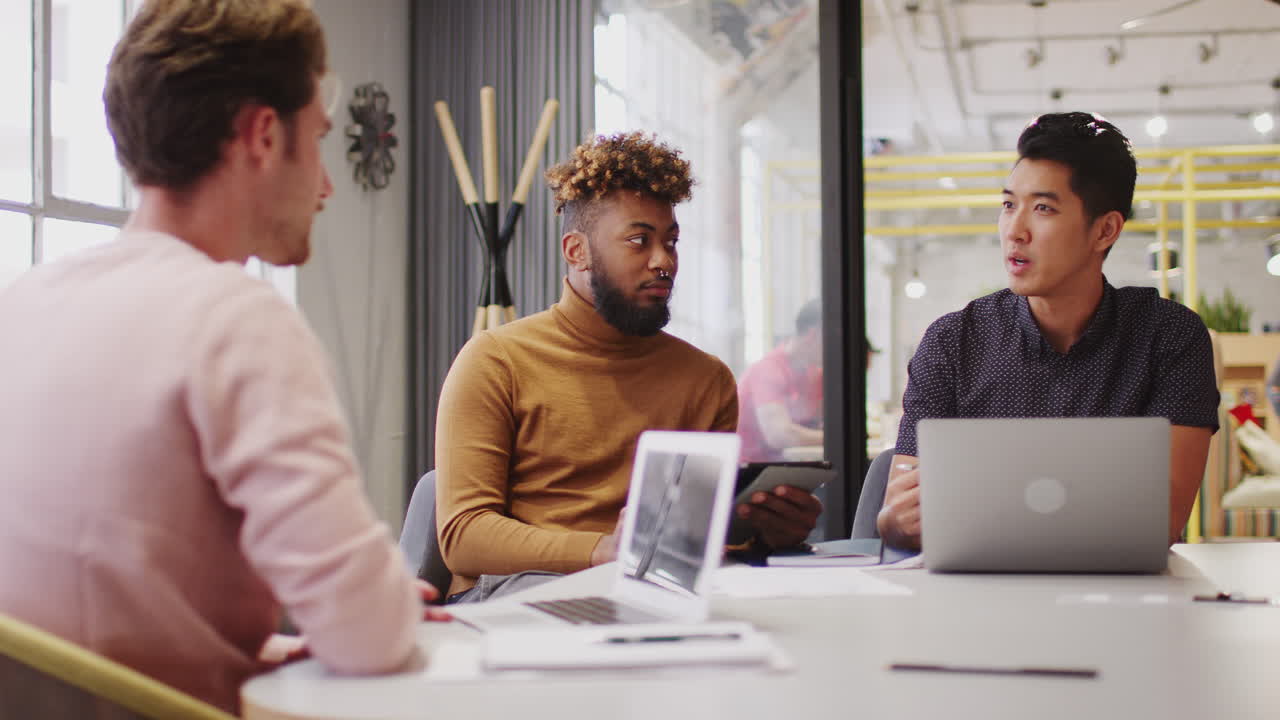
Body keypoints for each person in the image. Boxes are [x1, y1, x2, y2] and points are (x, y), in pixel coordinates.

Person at [0, 1, 444, 713]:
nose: (327, 186)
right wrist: (378, 605)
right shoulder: (237, 320)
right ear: (264, 135)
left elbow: (85, 612)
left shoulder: (23, 302)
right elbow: (370, 636)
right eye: (319, 140)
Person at [435, 132, 822, 602]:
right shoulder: (495, 360)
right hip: (518, 591)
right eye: (639, 241)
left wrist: (768, 533)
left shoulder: (705, 379)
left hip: (657, 591)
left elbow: (694, 535)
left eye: (671, 242)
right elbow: (463, 537)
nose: (664, 262)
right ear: (576, 251)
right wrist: (603, 551)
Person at [879, 112, 1219, 551]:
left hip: (1118, 600)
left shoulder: (1168, 338)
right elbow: (896, 510)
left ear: (1105, 229)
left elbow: (1164, 519)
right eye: (1008, 205)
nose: (1015, 231)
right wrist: (896, 522)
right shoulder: (952, 343)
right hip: (975, 599)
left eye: (1043, 208)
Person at [737, 299, 824, 462]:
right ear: (813, 335)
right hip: (748, 473)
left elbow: (820, 420)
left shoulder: (812, 372)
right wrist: (837, 438)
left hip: (781, 466)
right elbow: (778, 435)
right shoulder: (767, 370)